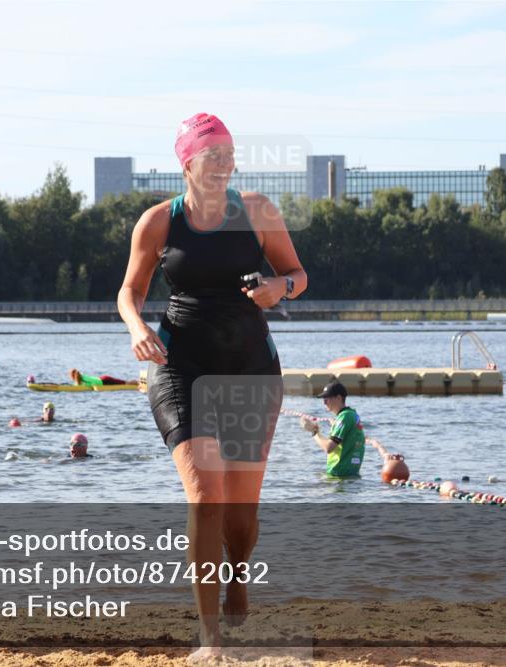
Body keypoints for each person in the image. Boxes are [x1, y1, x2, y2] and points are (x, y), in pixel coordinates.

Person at [117, 112, 307, 660]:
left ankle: (238, 576)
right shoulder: (157, 223)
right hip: (181, 366)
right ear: (188, 163)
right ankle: (210, 640)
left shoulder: (258, 212)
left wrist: (279, 288)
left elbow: (298, 274)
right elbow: (129, 291)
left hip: (250, 366)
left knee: (241, 515)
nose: (226, 163)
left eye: (229, 153)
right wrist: (137, 328)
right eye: (214, 155)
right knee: (205, 495)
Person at [301, 381, 366, 478]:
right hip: (350, 476)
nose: (324, 402)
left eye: (327, 398)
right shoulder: (352, 414)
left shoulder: (345, 417)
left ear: (339, 398)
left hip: (339, 476)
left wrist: (315, 432)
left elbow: (328, 447)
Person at [69, 368, 134, 387]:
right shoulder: (83, 377)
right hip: (103, 378)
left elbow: (77, 385)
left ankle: (139, 382)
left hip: (105, 381)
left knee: (126, 383)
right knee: (125, 382)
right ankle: (138, 382)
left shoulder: (80, 382)